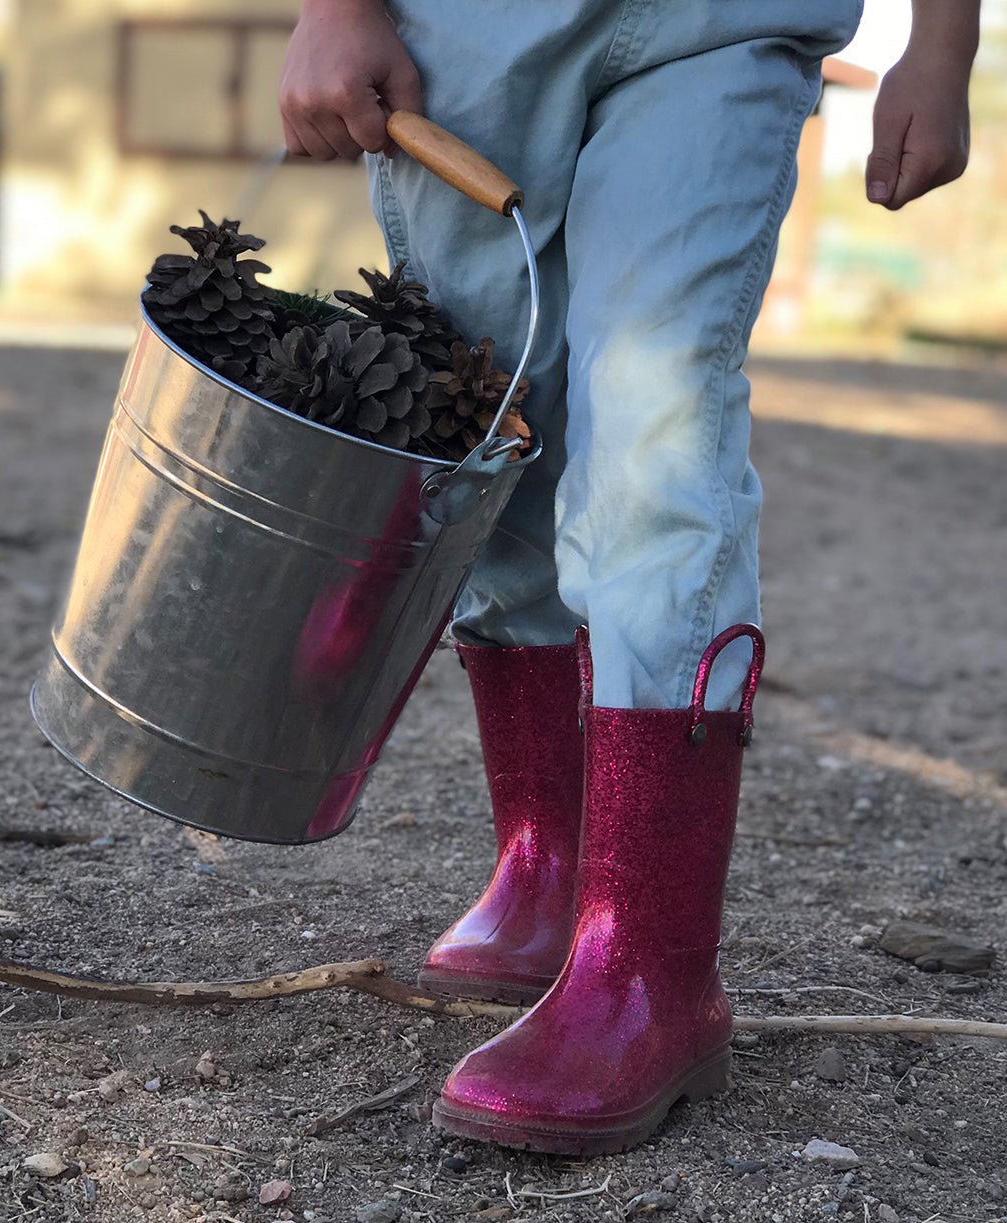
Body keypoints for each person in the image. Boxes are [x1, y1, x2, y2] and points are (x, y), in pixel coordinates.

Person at [278, 0, 980, 1155]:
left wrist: (942, 43)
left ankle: (646, 967)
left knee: (658, 415)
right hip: (469, 37)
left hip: (723, 22)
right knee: (494, 410)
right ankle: (549, 859)